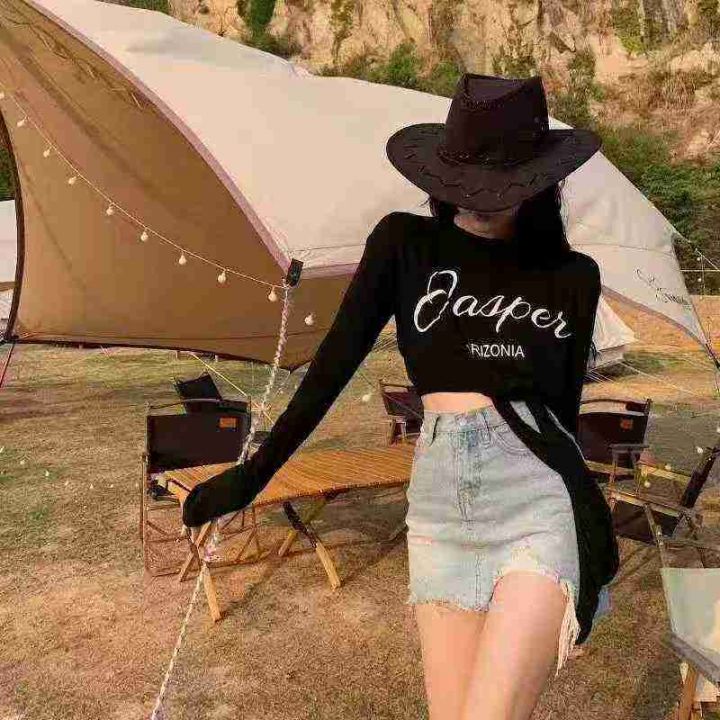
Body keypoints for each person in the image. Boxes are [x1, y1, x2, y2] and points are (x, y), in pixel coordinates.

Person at [182, 74, 620, 720]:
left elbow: (561, 413)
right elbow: (332, 367)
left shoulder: (574, 277)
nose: (482, 199)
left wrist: (586, 532)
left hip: (538, 499)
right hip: (441, 506)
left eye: (501, 183)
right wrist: (254, 473)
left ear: (539, 180)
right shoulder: (404, 243)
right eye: (468, 182)